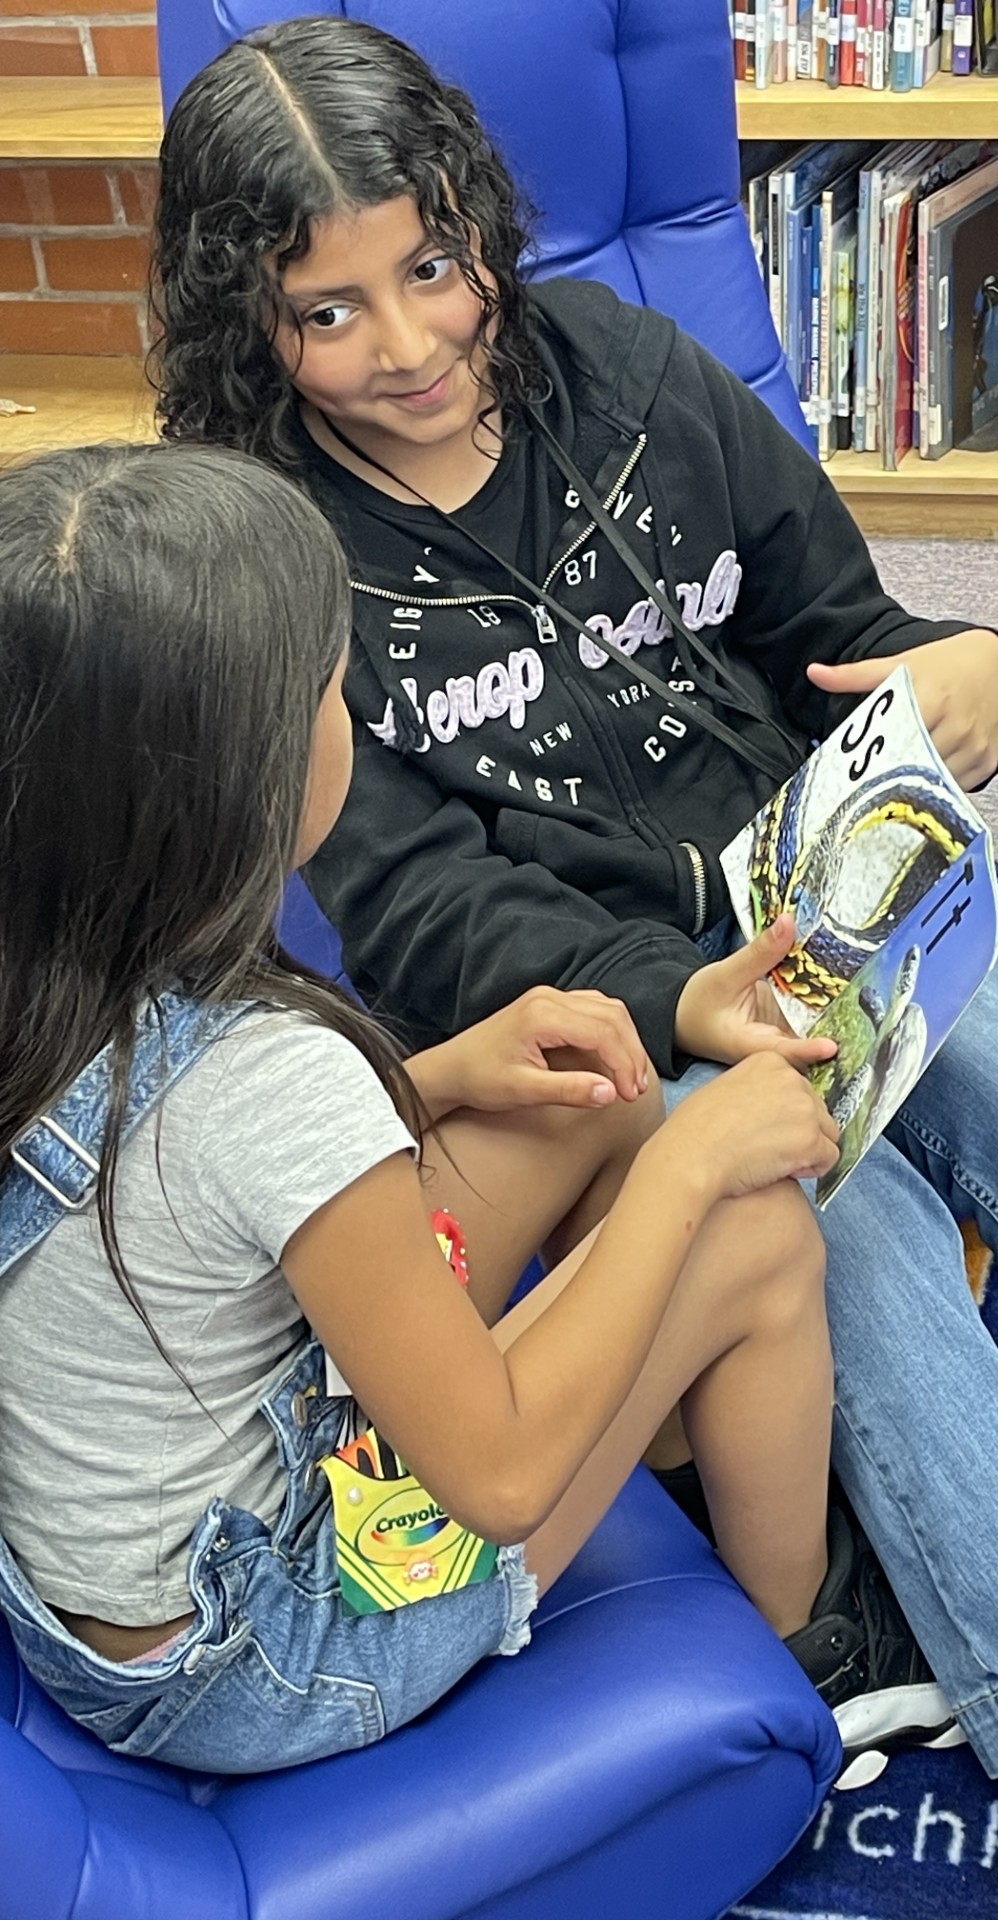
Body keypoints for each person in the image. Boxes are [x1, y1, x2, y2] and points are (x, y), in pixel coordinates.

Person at [151, 19, 998, 1914]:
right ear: (243, 321)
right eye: (330, 312)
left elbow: (855, 634)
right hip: (583, 1021)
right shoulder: (274, 550)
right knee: (838, 1216)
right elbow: (420, 913)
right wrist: (683, 1003)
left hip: (830, 916)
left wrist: (988, 671)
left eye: (431, 269)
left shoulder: (633, 372)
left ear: (481, 230)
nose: (412, 344)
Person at [0, 440, 863, 1776]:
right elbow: (501, 1476)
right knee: (756, 1234)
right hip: (271, 1657)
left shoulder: (47, 961)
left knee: (581, 1104)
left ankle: (693, 1425)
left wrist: (443, 1075)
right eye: (334, 693)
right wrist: (694, 1161)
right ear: (250, 778)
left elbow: (177, 1170)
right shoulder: (270, 1077)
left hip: (110, 1594)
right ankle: (803, 1651)